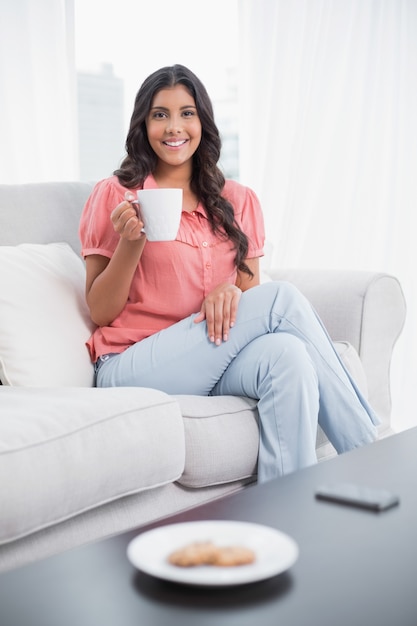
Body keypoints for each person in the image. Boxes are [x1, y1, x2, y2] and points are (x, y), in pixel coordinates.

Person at [79, 64, 379, 483]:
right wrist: (132, 242)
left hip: (211, 359)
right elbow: (100, 311)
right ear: (143, 124)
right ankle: (374, 455)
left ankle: (287, 517)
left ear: (203, 120)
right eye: (159, 114)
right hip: (131, 365)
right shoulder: (116, 193)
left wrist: (231, 290)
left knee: (287, 357)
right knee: (283, 298)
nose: (173, 127)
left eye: (187, 113)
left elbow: (253, 306)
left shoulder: (238, 200)